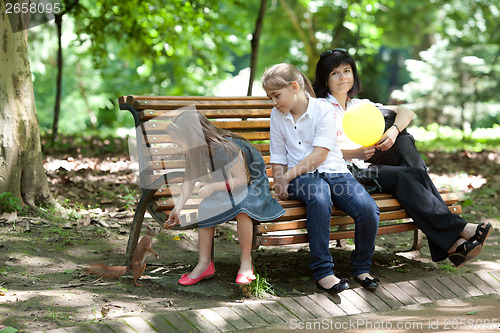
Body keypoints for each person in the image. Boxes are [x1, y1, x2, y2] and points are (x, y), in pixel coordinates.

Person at [313, 48, 492, 268]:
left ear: (353, 75)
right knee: (408, 178)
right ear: (325, 79)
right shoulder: (320, 108)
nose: (342, 77)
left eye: (346, 71)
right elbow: (317, 151)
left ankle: (453, 244)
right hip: (343, 173)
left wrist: (394, 130)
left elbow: (405, 111)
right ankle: (458, 232)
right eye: (334, 73)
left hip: (365, 165)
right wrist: (353, 153)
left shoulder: (360, 106)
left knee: (409, 154)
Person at [262, 63, 381, 292]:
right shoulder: (277, 115)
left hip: (334, 170)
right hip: (303, 178)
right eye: (270, 98)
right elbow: (277, 153)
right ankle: (323, 272)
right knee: (319, 195)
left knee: (368, 209)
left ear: (294, 87)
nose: (274, 103)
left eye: (276, 96)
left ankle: (362, 268)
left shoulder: (323, 109)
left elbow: (320, 155)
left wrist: (285, 177)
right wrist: (280, 181)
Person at [163, 110, 285, 286]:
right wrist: (177, 208)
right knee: (205, 208)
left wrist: (213, 186)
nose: (178, 149)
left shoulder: (225, 149)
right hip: (230, 185)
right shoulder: (196, 152)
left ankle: (245, 261)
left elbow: (243, 180)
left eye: (180, 144)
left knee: (243, 208)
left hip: (253, 184)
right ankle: (204, 263)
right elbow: (189, 181)